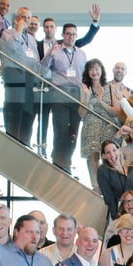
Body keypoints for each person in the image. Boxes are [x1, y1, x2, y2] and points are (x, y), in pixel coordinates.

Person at [41, 23, 88, 173]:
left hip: (77, 95)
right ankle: (60, 162)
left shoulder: (81, 54)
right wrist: (48, 55)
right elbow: (42, 69)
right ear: (62, 35)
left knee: (73, 132)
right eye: (68, 34)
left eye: (74, 34)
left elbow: (85, 76)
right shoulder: (55, 50)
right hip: (59, 93)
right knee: (61, 129)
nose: (71, 37)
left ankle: (63, 159)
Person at [0, 6, 39, 146]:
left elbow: (35, 59)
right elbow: (12, 47)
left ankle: (25, 143)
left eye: (29, 18)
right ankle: (12, 141)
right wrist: (19, 30)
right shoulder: (7, 33)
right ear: (17, 18)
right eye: (24, 17)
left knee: (28, 112)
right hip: (14, 74)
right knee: (15, 108)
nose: (27, 20)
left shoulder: (31, 39)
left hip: (29, 78)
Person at [79, 58, 120, 190]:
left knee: (109, 157)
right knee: (93, 157)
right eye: (92, 69)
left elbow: (116, 112)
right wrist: (86, 99)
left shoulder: (109, 87)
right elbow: (81, 114)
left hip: (107, 126)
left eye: (97, 68)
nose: (95, 71)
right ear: (88, 72)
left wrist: (100, 101)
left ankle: (110, 185)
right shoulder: (85, 88)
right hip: (90, 127)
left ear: (102, 71)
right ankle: (96, 187)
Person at [97, 140, 127, 219]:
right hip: (121, 213)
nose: (112, 155)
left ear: (119, 150)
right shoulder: (103, 171)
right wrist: (117, 218)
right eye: (108, 152)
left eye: (114, 150)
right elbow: (109, 198)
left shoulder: (130, 165)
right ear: (104, 156)